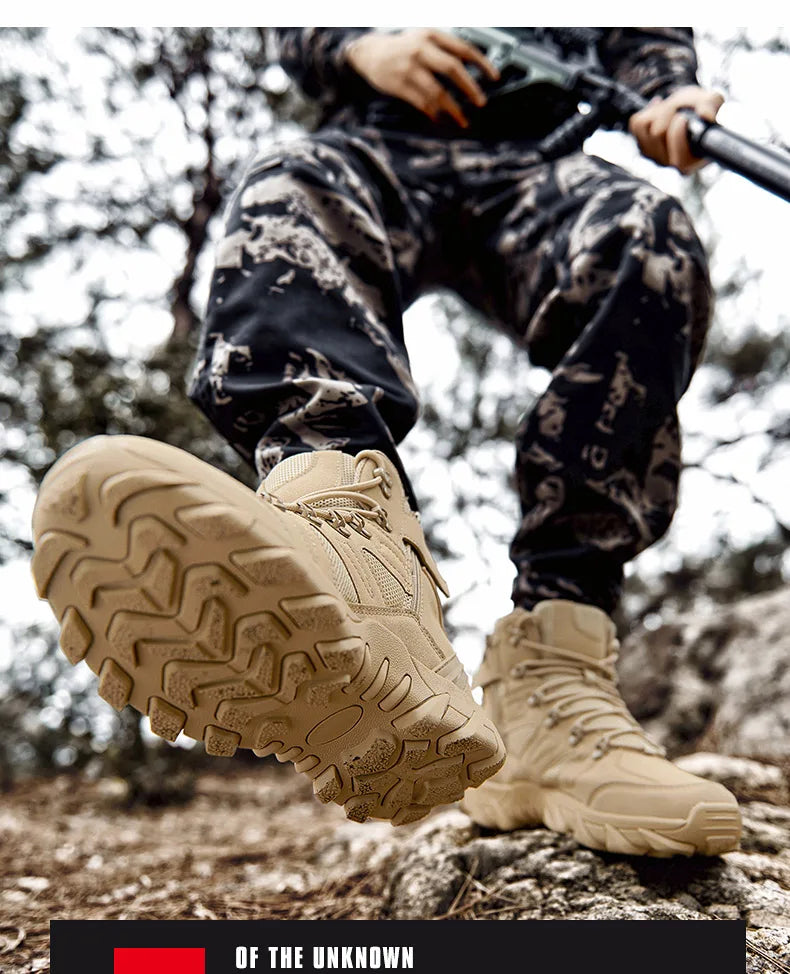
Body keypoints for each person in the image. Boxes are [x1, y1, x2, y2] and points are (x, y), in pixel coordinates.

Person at [32, 27, 742, 855]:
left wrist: (669, 88)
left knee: (646, 233)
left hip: (532, 156)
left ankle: (556, 681)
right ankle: (352, 558)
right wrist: (359, 45)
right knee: (289, 191)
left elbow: (642, 37)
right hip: (376, 145)